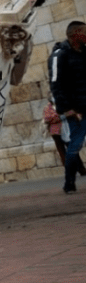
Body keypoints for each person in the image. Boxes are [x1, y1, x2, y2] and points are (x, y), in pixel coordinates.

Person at [48, 20, 86, 194]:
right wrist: (67, 109)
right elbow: (56, 84)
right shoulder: (59, 55)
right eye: (84, 32)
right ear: (74, 35)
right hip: (75, 110)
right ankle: (69, 182)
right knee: (75, 146)